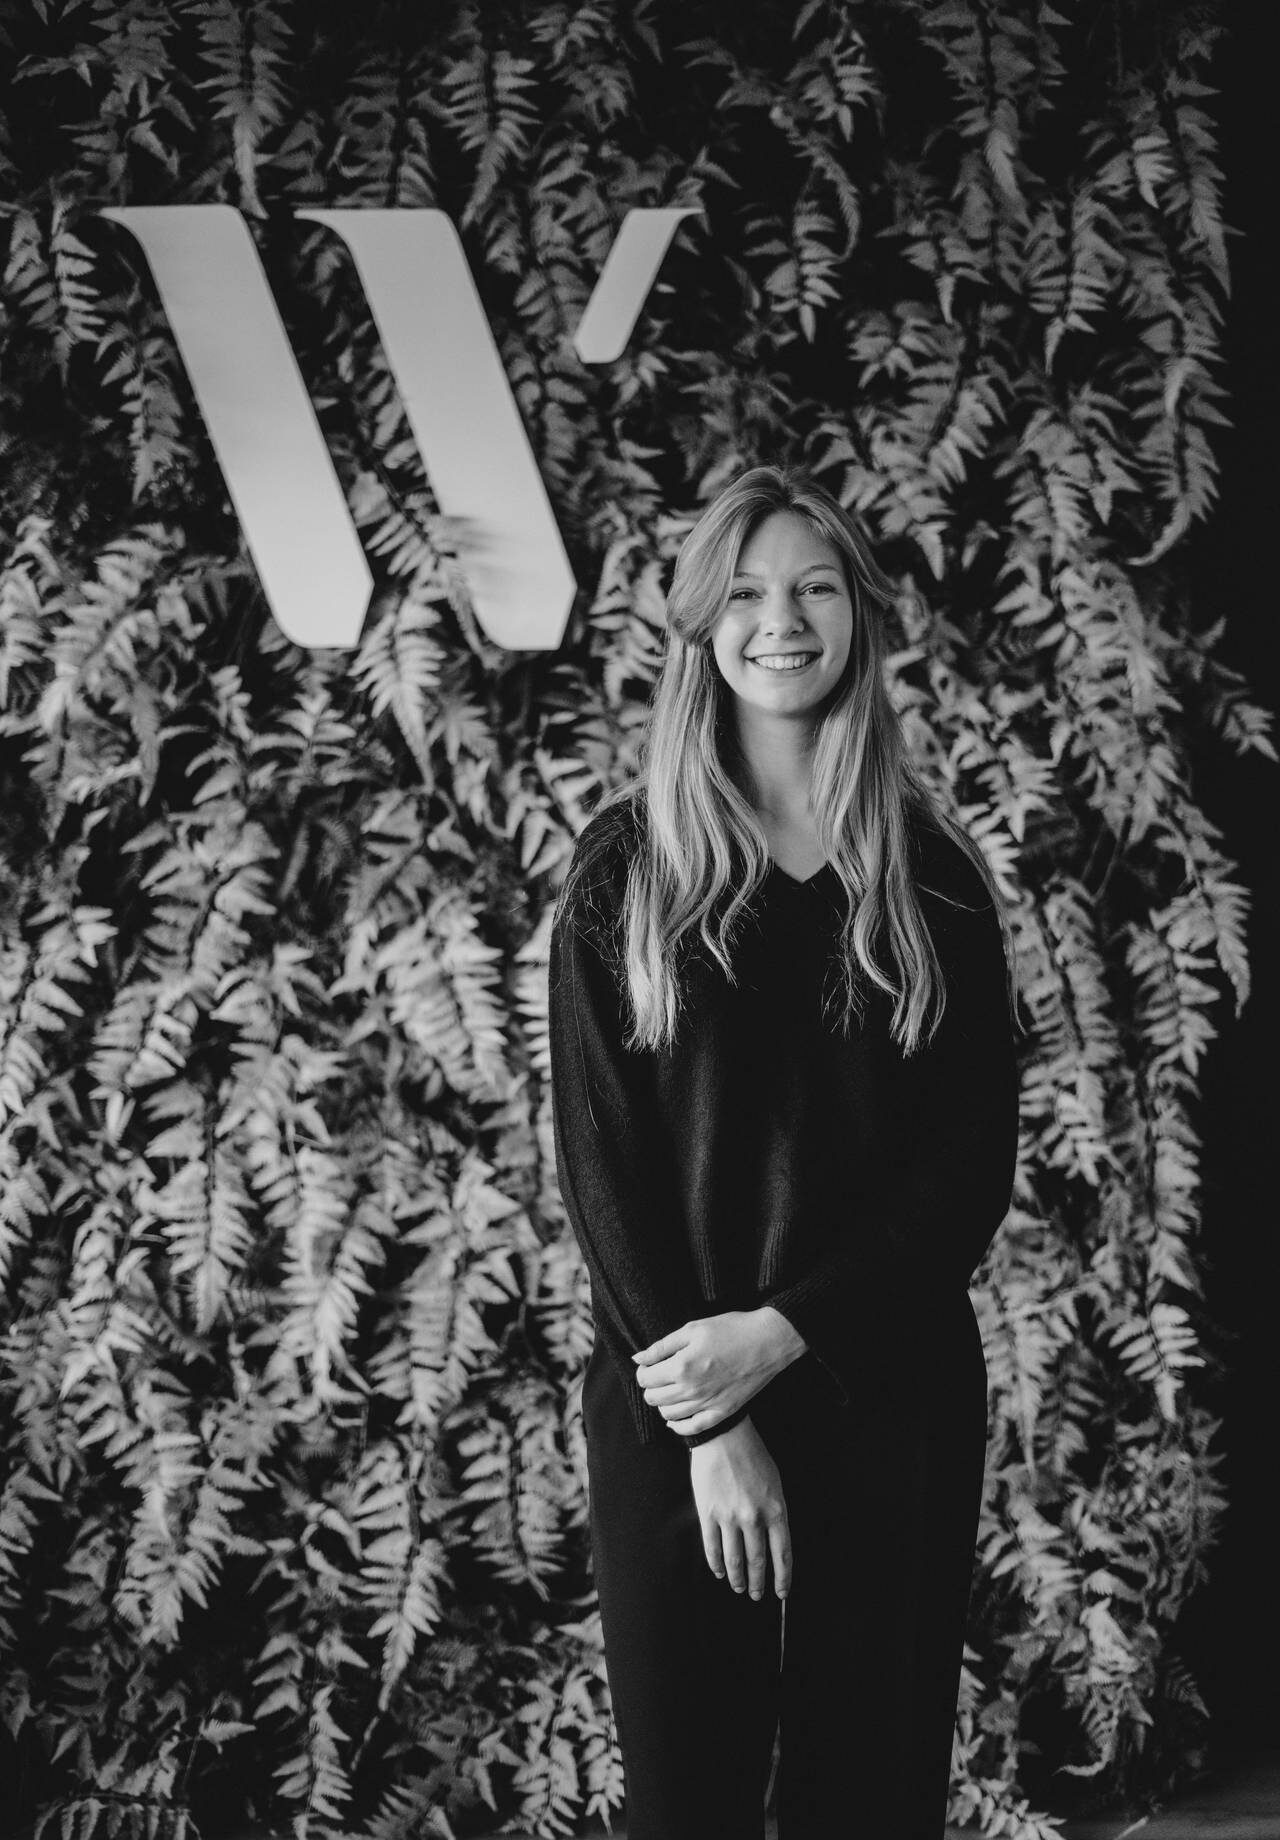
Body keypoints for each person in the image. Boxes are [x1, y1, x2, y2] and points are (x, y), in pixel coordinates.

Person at [546, 463, 1021, 1840]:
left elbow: (966, 1172)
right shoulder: (627, 872)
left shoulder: (930, 880)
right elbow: (604, 1176)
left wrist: (785, 1331)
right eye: (747, 593)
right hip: (676, 1406)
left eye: (816, 588)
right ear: (703, 626)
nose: (782, 621)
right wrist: (716, 1417)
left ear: (859, 617)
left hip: (892, 1398)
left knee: (868, 1798)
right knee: (687, 1806)